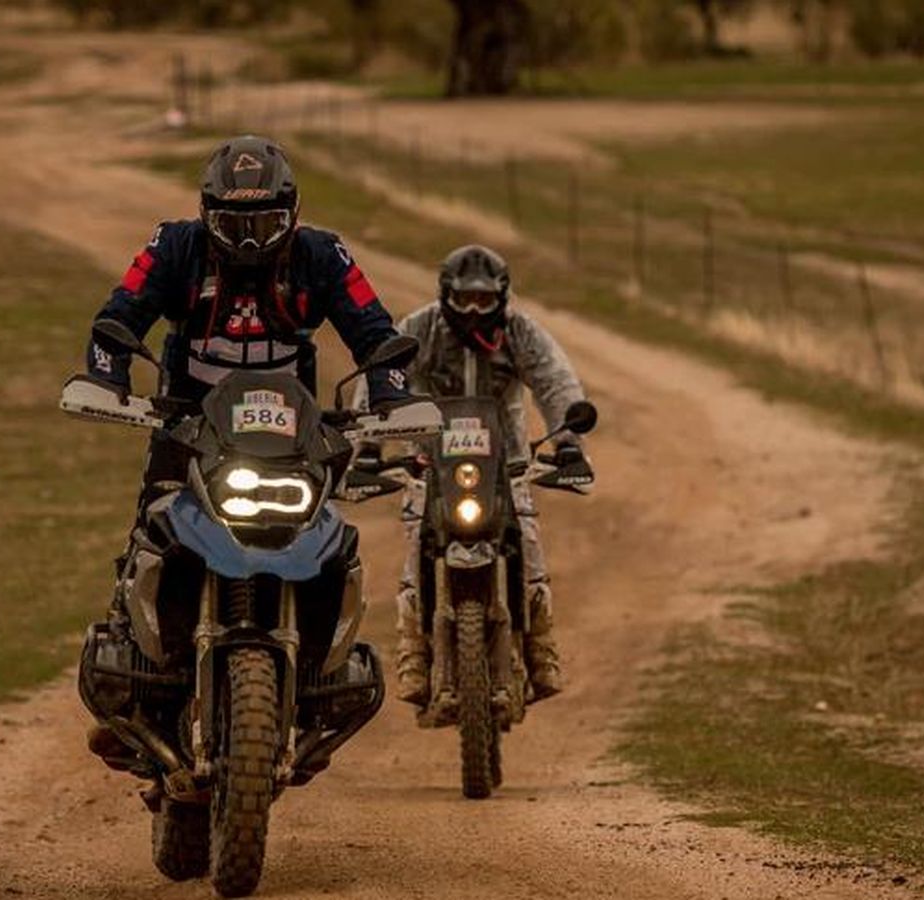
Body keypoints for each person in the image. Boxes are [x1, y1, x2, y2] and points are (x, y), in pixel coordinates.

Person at [81, 135, 408, 719]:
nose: (251, 238)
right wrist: (108, 377)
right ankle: (130, 664)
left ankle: (321, 670)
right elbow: (117, 318)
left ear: (294, 215)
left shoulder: (323, 255)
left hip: (294, 436)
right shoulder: (174, 246)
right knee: (148, 529)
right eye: (235, 224)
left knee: (328, 538)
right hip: (186, 424)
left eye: (267, 221)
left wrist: (391, 392)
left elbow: (377, 333)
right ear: (209, 217)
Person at [379, 244, 593, 705]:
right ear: (445, 295)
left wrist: (569, 442)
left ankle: (541, 647)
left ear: (501, 296)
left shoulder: (519, 330)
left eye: (484, 300)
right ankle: (413, 651)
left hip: (508, 464)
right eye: (464, 300)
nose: (474, 310)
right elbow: (384, 379)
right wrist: (367, 447)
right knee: (417, 542)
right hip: (429, 466)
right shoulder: (419, 329)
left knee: (530, 546)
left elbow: (555, 381)